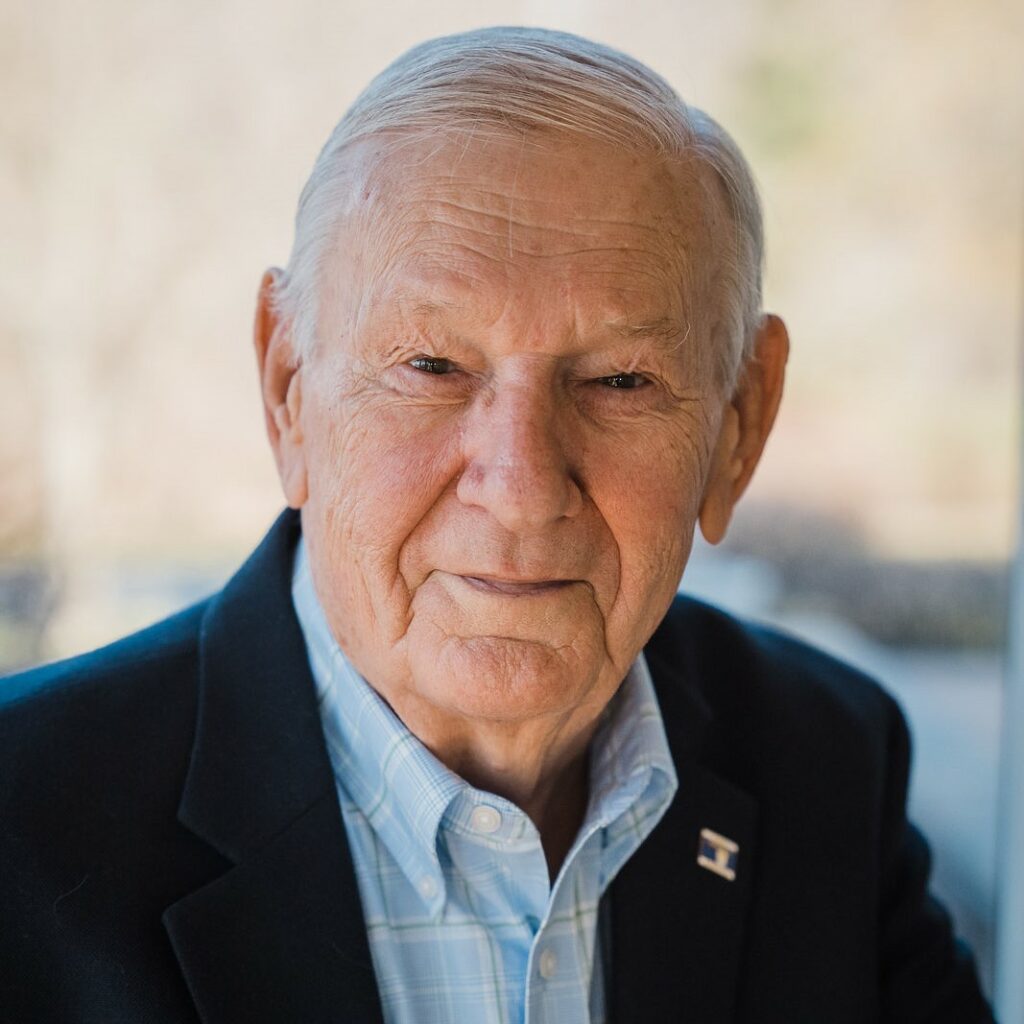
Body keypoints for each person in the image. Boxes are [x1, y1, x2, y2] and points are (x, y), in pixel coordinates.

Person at [0, 26, 995, 1024]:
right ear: (288, 390)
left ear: (738, 425)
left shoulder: (824, 761)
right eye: (432, 367)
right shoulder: (23, 818)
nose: (520, 487)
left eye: (618, 380)